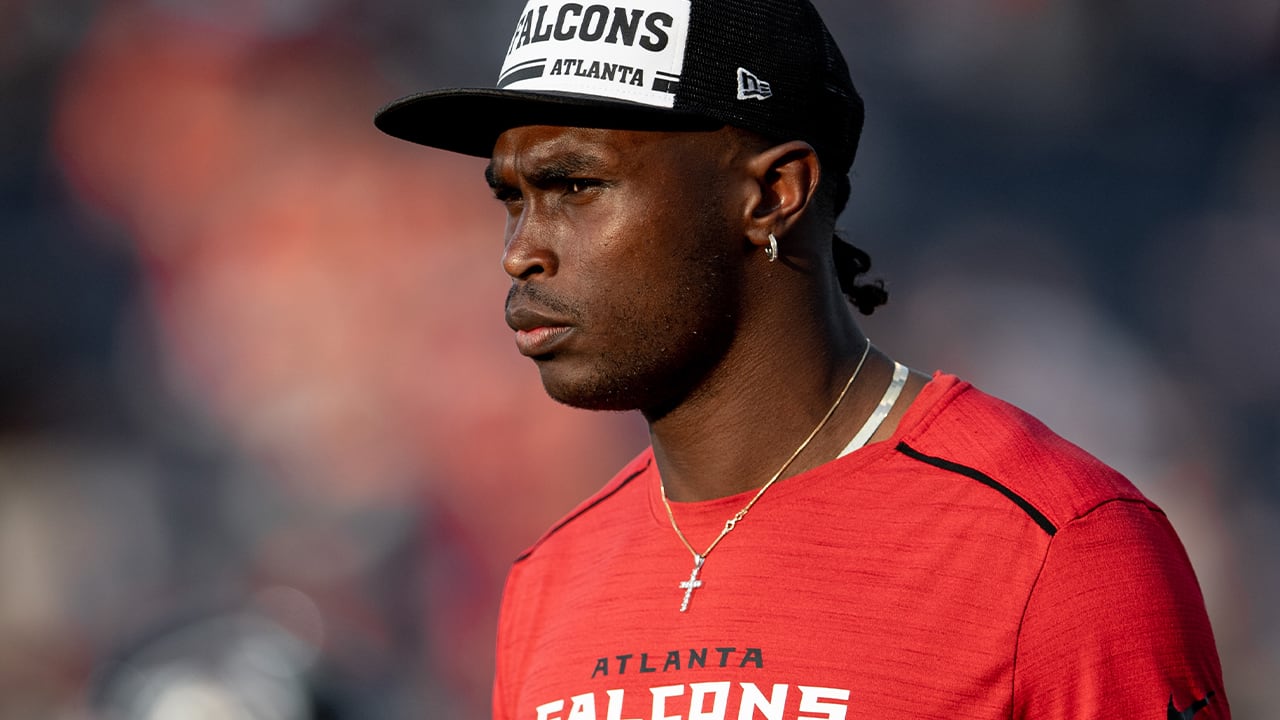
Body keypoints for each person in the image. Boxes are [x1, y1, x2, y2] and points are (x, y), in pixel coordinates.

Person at [375, 0, 1229, 717]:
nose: (521, 251)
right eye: (511, 198)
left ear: (772, 195)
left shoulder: (1057, 550)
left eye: (575, 186)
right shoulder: (549, 579)